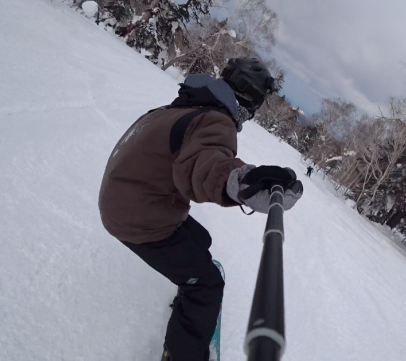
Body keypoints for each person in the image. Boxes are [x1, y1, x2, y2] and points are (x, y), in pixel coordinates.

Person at [98, 58, 303, 361]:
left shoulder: (178, 108)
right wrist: (245, 183)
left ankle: (188, 282)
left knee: (201, 240)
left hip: (128, 199)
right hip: (138, 217)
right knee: (208, 284)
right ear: (250, 101)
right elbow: (204, 166)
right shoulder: (215, 121)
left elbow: (191, 158)